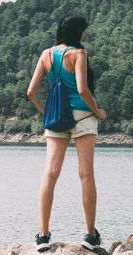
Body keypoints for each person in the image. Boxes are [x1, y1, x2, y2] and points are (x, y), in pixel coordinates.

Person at [26, 15, 108, 252]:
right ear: (77, 32)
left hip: (56, 118)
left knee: (50, 175)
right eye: (84, 31)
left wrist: (47, 112)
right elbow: (83, 89)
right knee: (86, 175)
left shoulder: (46, 54)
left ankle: (43, 236)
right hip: (82, 117)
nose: (86, 35)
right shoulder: (79, 54)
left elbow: (31, 91)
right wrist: (99, 112)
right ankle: (90, 235)